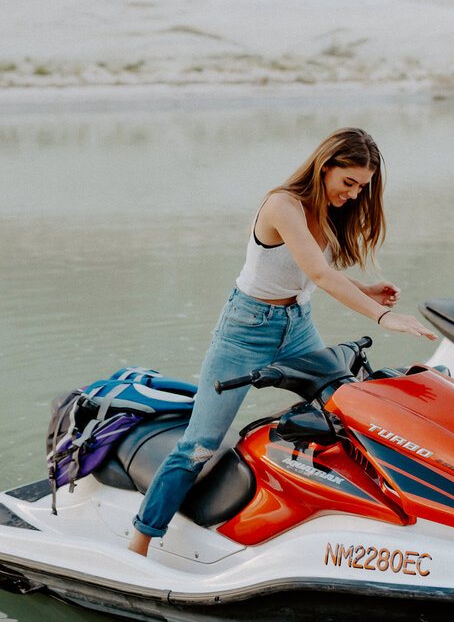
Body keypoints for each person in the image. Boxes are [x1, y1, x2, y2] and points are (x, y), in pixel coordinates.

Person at [128, 127, 436, 557]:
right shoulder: (283, 204)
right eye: (348, 182)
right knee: (199, 444)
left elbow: (300, 275)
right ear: (324, 165)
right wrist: (383, 316)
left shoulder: (331, 209)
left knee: (342, 412)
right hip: (244, 329)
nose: (352, 194)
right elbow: (320, 274)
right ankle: (140, 541)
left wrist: (365, 290)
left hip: (298, 324)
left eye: (361, 187)